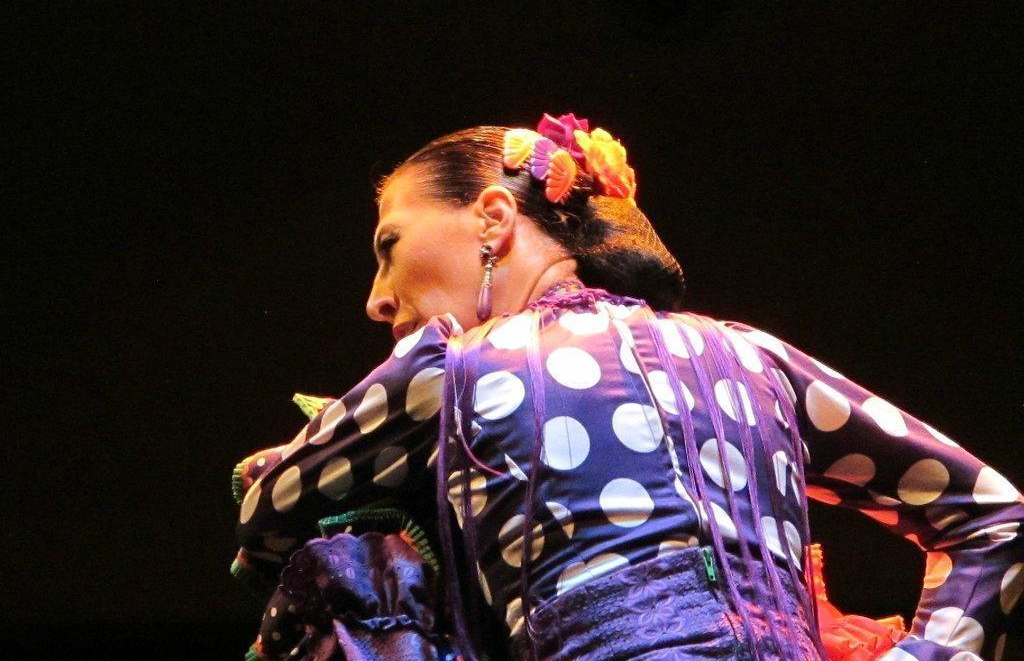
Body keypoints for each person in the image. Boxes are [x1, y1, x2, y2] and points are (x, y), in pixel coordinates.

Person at [231, 113, 1023, 661]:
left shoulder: (448, 369)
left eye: (388, 246)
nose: (377, 296)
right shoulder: (755, 358)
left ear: (494, 218)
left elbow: (268, 519)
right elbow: (994, 516)